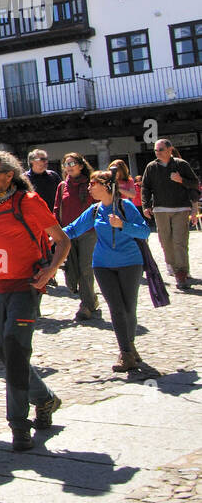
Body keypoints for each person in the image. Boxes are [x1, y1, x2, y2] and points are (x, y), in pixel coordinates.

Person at [0, 151, 70, 451]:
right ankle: (45, 399)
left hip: (25, 288)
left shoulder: (29, 203)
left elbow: (62, 241)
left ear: (9, 175)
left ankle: (18, 425)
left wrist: (50, 270)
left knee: (14, 348)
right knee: (1, 350)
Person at [62, 170, 151, 373]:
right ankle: (126, 353)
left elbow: (144, 231)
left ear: (107, 186)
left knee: (129, 308)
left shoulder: (125, 206)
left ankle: (129, 347)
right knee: (116, 308)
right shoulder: (94, 210)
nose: (89, 187)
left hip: (130, 263)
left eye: (93, 183)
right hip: (102, 265)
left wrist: (123, 225)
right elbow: (74, 228)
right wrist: (53, 237)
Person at [141, 138, 199, 289]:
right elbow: (145, 188)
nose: (157, 152)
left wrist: (181, 180)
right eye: (155, 150)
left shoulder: (181, 164)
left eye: (160, 149)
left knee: (180, 241)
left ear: (169, 150)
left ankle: (181, 273)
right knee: (165, 241)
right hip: (160, 209)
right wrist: (146, 206)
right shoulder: (151, 167)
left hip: (180, 208)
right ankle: (174, 267)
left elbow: (194, 184)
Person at [55, 152, 99, 320]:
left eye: (73, 163)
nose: (70, 166)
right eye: (67, 164)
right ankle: (91, 299)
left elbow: (98, 206)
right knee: (71, 270)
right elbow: (56, 208)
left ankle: (86, 305)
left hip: (89, 233)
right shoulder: (62, 186)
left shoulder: (91, 184)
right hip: (67, 233)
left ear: (81, 166)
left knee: (86, 268)